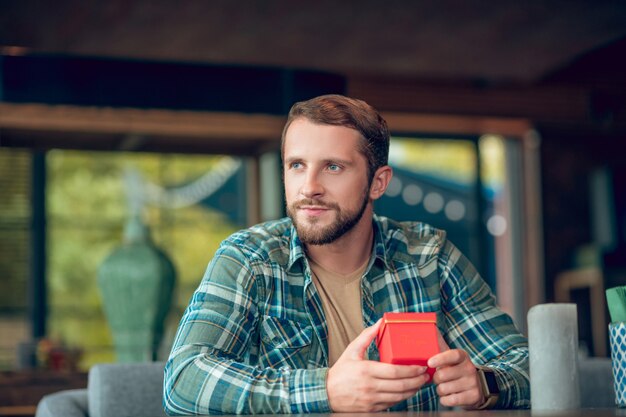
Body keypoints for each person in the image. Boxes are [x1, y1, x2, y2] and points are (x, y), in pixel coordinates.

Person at [163, 94, 530, 415]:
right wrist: (325, 390)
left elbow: (530, 367)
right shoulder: (249, 259)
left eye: (333, 167)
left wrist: (485, 385)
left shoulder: (429, 257)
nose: (309, 188)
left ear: (378, 182)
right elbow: (183, 380)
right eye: (297, 165)